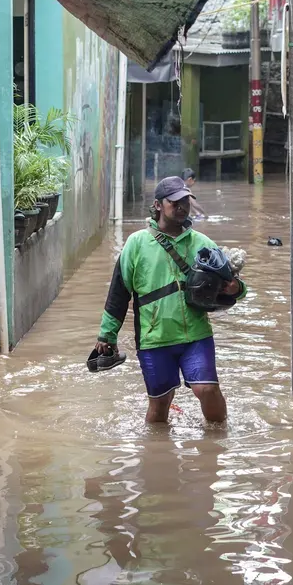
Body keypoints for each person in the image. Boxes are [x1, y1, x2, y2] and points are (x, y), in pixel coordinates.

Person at [95, 176, 246, 424]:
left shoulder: (203, 244)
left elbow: (237, 287)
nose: (181, 206)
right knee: (159, 403)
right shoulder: (136, 244)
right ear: (157, 205)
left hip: (195, 336)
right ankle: (156, 456)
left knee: (207, 390)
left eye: (185, 201)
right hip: (154, 339)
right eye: (174, 202)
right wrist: (107, 335)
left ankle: (219, 444)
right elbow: (119, 293)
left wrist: (235, 288)